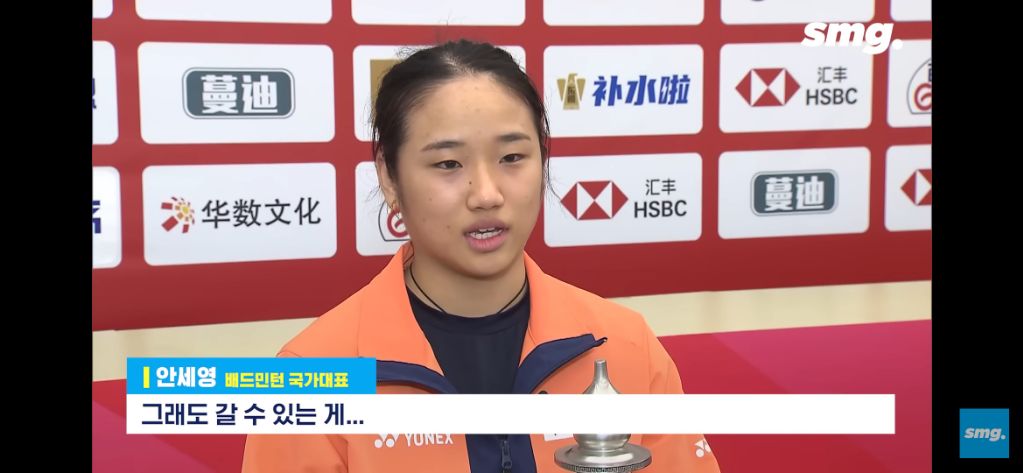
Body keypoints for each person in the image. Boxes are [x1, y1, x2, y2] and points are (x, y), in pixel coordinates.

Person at [241, 39, 722, 473]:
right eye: (448, 164)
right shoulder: (311, 376)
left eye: (512, 158)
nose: (487, 194)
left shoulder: (624, 345)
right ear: (389, 176)